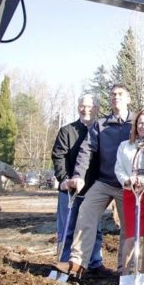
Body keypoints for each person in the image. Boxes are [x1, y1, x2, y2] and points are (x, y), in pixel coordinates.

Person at [54, 84, 133, 278]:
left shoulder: (137, 123)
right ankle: (77, 263)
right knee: (85, 213)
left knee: (129, 227)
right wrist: (78, 176)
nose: (115, 97)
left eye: (120, 94)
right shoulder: (101, 124)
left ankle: (126, 270)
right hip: (104, 182)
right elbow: (86, 150)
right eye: (113, 94)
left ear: (128, 99)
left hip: (127, 185)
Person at [51, 94, 104, 271]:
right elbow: (58, 157)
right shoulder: (67, 131)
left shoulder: (101, 132)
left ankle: (95, 263)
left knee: (94, 228)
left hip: (93, 189)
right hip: (69, 189)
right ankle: (64, 263)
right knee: (67, 228)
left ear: (97, 108)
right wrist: (64, 179)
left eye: (90, 106)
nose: (86, 109)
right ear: (78, 107)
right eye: (82, 106)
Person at [114, 109, 144, 274]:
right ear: (135, 126)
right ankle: (125, 273)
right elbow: (119, 168)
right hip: (131, 193)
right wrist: (128, 180)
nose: (143, 126)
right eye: (140, 123)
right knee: (131, 235)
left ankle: (142, 272)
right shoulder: (124, 146)